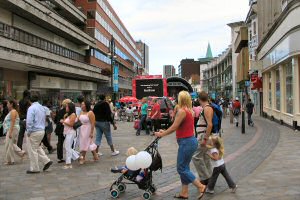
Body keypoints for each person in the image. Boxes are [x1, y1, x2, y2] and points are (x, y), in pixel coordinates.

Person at [155, 91, 206, 199]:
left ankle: (200, 186)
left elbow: (174, 127)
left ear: (181, 99)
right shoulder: (189, 111)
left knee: (181, 168)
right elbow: (178, 125)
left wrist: (162, 134)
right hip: (189, 141)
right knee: (185, 167)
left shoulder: (182, 111)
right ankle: (184, 192)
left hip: (186, 142)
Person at [26, 92, 53, 174]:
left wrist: (29, 131)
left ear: (29, 100)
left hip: (34, 131)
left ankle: (35, 168)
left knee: (32, 150)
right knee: (37, 147)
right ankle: (46, 161)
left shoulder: (31, 108)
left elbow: (29, 121)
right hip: (41, 130)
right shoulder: (42, 108)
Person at [192, 91, 213, 186]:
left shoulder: (207, 108)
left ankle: (205, 178)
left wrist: (205, 139)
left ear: (200, 99)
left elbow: (210, 124)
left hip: (203, 135)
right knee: (205, 157)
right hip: (202, 135)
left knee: (196, 156)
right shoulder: (205, 108)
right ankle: (210, 177)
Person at [3, 99, 25, 165]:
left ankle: (10, 160)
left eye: (8, 104)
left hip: (12, 129)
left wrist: (10, 132)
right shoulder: (12, 111)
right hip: (12, 129)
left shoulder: (13, 111)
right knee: (11, 144)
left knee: (8, 145)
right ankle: (20, 153)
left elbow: (12, 122)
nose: (7, 105)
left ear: (11, 104)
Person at [78, 100, 98, 164]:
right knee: (88, 142)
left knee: (85, 142)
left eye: (83, 104)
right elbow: (79, 120)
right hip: (81, 129)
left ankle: (83, 157)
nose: (82, 105)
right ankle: (95, 155)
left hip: (88, 129)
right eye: (81, 104)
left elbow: (93, 123)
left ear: (86, 105)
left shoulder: (90, 113)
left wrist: (91, 132)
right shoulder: (81, 112)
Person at [61, 102, 79, 169]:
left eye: (67, 107)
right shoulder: (69, 115)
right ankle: (77, 156)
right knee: (67, 147)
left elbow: (71, 124)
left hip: (70, 133)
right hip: (67, 132)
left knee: (67, 147)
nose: (66, 108)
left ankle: (68, 163)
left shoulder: (73, 115)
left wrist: (63, 121)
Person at [55, 99, 71, 163]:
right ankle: (70, 156)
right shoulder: (69, 112)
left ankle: (59, 157)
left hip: (60, 129)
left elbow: (56, 120)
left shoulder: (59, 111)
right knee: (69, 143)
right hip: (66, 128)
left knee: (60, 143)